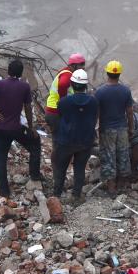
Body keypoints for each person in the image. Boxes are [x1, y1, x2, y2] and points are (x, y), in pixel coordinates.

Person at [0, 60, 42, 198]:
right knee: (35, 144)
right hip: (14, 128)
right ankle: (35, 176)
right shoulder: (24, 87)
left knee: (0, 159)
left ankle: (4, 193)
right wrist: (31, 127)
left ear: (8, 71)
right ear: (20, 73)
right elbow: (27, 108)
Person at [53, 69, 98, 203]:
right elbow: (94, 118)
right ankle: (76, 195)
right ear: (85, 85)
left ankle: (56, 195)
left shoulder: (64, 102)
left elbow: (60, 117)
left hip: (66, 140)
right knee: (79, 168)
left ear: (72, 84)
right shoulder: (93, 101)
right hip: (85, 141)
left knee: (61, 168)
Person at [94, 60, 134, 194]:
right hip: (122, 128)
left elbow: (97, 113)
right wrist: (131, 128)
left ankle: (111, 187)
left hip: (107, 129)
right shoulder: (126, 91)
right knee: (123, 154)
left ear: (107, 73)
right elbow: (129, 112)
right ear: (119, 74)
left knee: (108, 155)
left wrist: (97, 128)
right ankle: (123, 184)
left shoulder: (100, 92)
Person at [45, 53, 86, 164]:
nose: (83, 66)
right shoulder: (68, 74)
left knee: (58, 141)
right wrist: (63, 102)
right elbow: (63, 85)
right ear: (73, 65)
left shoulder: (68, 73)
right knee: (58, 142)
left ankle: (58, 167)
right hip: (55, 112)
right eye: (81, 64)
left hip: (53, 110)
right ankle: (57, 168)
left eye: (84, 64)